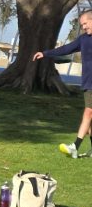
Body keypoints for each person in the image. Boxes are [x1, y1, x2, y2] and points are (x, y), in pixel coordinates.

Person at [33, 9, 92, 159]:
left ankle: (75, 147)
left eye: (85, 23)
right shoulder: (83, 39)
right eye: (82, 25)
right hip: (88, 83)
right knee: (90, 117)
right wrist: (45, 53)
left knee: (89, 113)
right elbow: (66, 49)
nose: (84, 27)